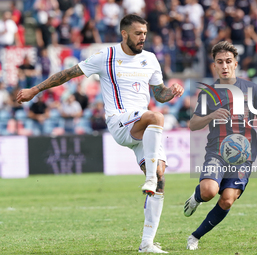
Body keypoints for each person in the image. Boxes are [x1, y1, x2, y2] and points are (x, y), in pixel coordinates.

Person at [16, 14, 183, 253]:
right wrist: (35, 89)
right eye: (138, 33)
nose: (142, 38)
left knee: (160, 177)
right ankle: (150, 180)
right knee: (156, 117)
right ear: (124, 34)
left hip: (143, 128)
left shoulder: (151, 59)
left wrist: (172, 92)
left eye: (145, 33)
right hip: (120, 120)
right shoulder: (107, 56)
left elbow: (159, 94)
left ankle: (147, 243)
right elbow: (68, 74)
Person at [183, 41, 257, 250]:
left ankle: (194, 237)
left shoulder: (252, 89)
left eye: (228, 61)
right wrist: (211, 115)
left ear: (236, 64)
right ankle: (196, 197)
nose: (224, 66)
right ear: (214, 65)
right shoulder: (208, 94)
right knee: (208, 192)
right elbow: (193, 124)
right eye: (219, 62)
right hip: (217, 152)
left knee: (228, 200)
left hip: (244, 155)